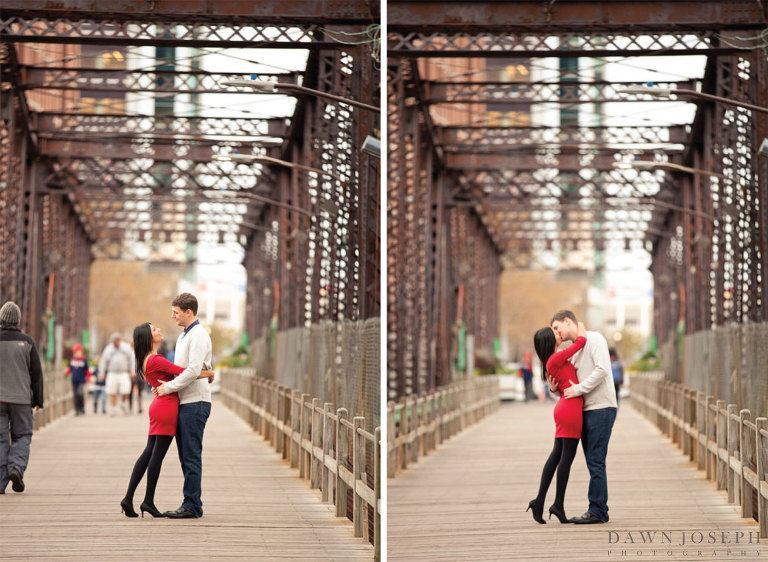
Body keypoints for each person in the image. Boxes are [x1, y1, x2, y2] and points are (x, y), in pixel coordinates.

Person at [121, 322, 214, 518]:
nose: (159, 330)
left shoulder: (147, 359)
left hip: (159, 405)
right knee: (156, 456)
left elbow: (176, 375)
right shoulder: (155, 359)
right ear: (148, 337)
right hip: (166, 407)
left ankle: (129, 499)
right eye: (155, 329)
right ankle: (147, 501)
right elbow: (185, 372)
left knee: (149, 453)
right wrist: (209, 373)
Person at [549, 310, 617, 524]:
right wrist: (555, 390)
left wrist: (579, 389)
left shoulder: (595, 339)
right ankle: (599, 507)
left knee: (596, 460)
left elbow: (602, 370)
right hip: (586, 410)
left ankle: (597, 510)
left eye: (557, 328)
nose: (556, 334)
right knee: (592, 460)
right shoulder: (574, 349)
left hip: (601, 407)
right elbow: (569, 385)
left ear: (568, 321)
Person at [155, 293, 213, 519]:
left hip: (195, 403)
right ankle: (191, 501)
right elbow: (185, 369)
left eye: (176, 312)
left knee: (190, 456)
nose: (172, 316)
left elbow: (191, 370)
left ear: (189, 312)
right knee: (186, 455)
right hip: (185, 401)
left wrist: (168, 388)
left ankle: (192, 505)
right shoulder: (185, 336)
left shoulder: (197, 335)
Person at [527, 320, 587, 524]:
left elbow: (560, 385)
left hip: (565, 407)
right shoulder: (554, 359)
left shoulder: (551, 362)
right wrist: (580, 328)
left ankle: (539, 501)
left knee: (556, 457)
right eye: (554, 332)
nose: (558, 333)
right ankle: (557, 505)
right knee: (565, 459)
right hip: (570, 410)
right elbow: (579, 343)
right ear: (549, 340)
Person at [0, 301, 43, 494]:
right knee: (22, 436)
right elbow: (36, 374)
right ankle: (16, 468)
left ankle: (0, 484)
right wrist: (38, 400)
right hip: (21, 399)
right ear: (18, 320)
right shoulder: (27, 342)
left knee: (1, 440)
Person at [99, 333, 135, 416]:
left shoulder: (126, 348)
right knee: (112, 391)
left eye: (118, 341)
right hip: (112, 372)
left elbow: (132, 359)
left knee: (126, 389)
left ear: (120, 340)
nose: (116, 343)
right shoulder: (108, 349)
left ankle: (123, 402)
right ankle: (113, 408)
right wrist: (102, 373)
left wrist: (132, 370)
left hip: (124, 372)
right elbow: (103, 361)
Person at [65, 344, 90, 415]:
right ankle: (77, 409)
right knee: (75, 395)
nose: (76, 353)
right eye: (75, 352)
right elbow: (70, 368)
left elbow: (87, 370)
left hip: (81, 380)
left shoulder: (84, 360)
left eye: (78, 352)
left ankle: (82, 407)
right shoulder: (72, 360)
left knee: (80, 394)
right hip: (74, 380)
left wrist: (88, 378)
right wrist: (66, 373)